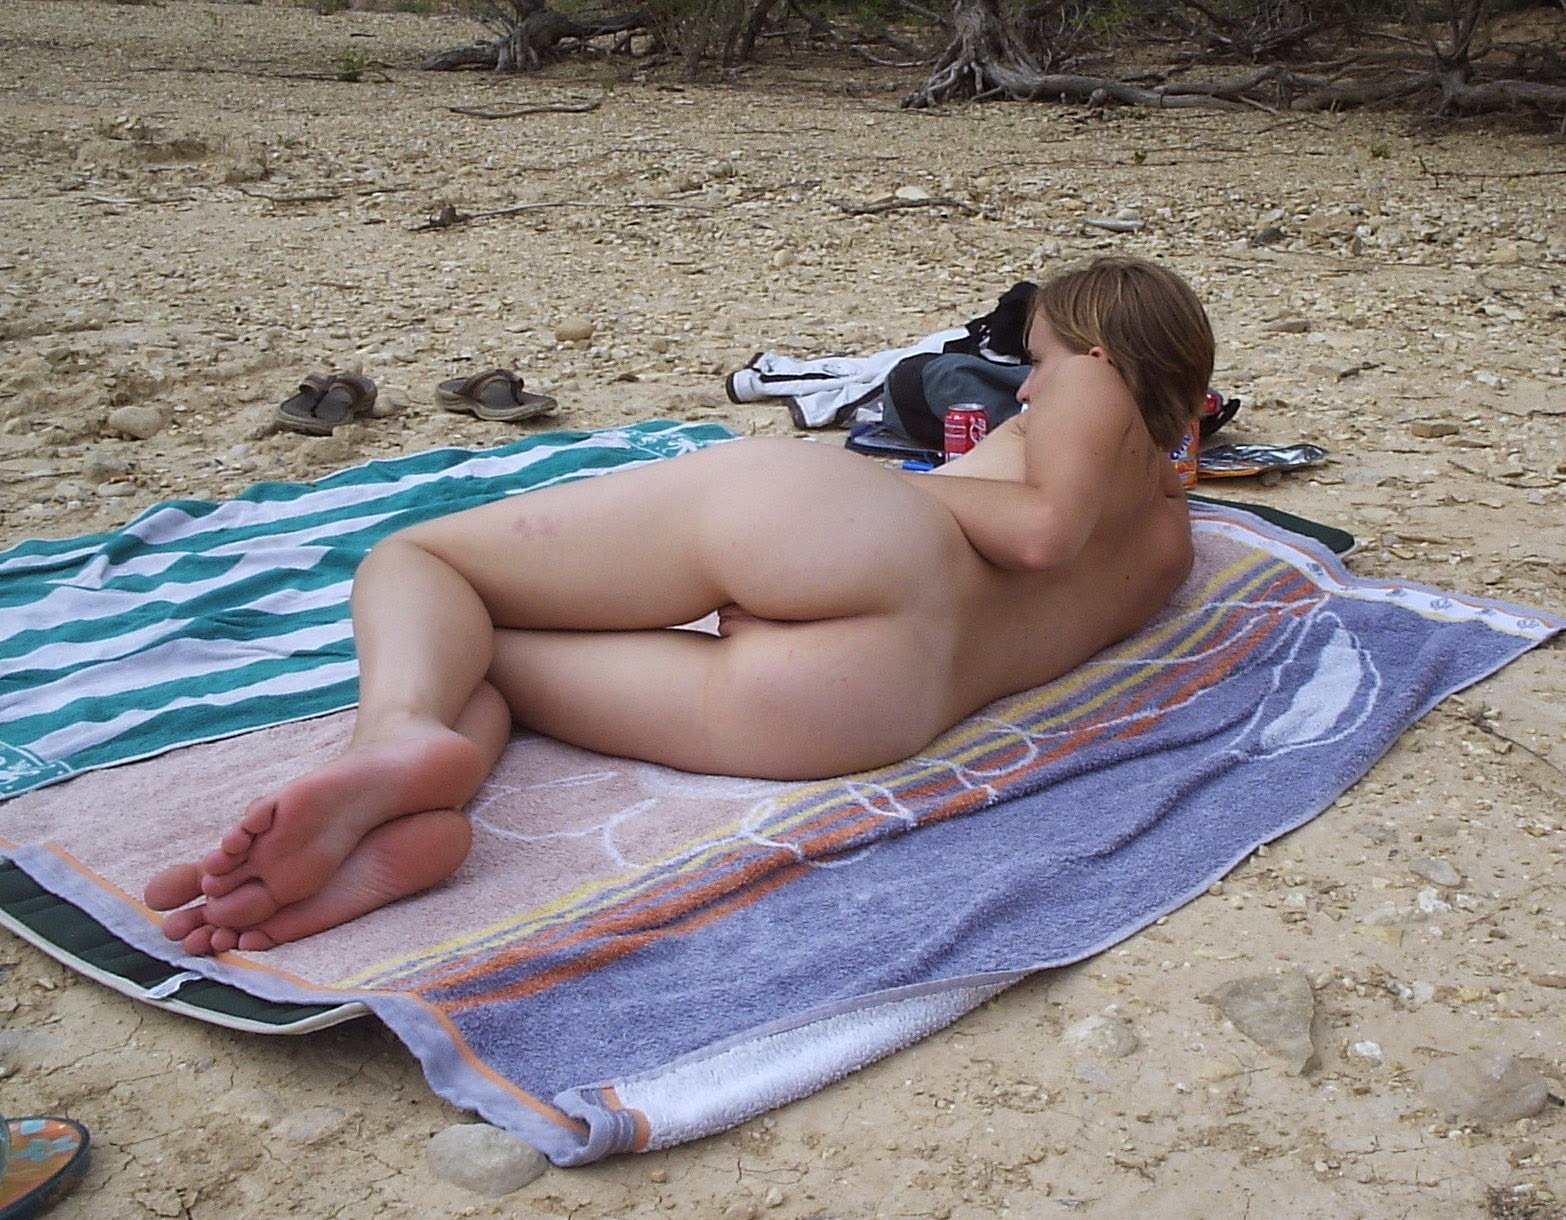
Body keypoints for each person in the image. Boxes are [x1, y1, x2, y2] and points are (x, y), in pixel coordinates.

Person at [144, 255, 1215, 955]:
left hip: (856, 540)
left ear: (1101, 355)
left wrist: (899, 486)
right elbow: (1077, 541)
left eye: (1038, 362)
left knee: (423, 561)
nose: (1024, 387)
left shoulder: (1092, 388)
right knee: (491, 649)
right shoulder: (1168, 539)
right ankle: (404, 795)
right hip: (864, 707)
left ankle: (395, 733)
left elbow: (1041, 532)